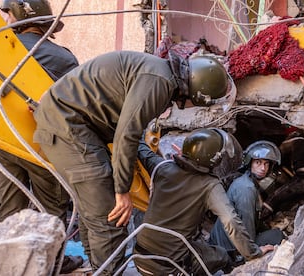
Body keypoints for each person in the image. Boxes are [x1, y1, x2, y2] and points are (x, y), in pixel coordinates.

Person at [32, 50, 235, 273]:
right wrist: (122, 191)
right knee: (111, 215)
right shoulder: (160, 83)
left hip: (71, 123)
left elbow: (130, 133)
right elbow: (126, 135)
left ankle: (99, 269)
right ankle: (108, 271)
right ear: (198, 94)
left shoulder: (159, 73)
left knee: (94, 212)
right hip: (69, 127)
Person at [0, 0, 81, 273]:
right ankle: (53, 263)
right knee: (51, 210)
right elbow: (75, 106)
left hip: (3, 141)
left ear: (17, 17)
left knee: (10, 211)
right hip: (44, 145)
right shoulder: (64, 59)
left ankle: (8, 267)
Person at [133, 128, 274, 274]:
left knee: (201, 248)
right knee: (223, 256)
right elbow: (231, 220)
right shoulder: (210, 185)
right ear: (215, 159)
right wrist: (254, 253)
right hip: (168, 265)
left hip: (140, 254)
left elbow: (142, 150)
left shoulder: (163, 167)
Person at [209, 140, 285, 260]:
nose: (262, 168)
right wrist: (254, 252)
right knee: (277, 236)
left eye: (266, 164)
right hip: (229, 251)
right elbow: (247, 226)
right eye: (258, 163)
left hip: (222, 243)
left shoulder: (247, 182)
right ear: (250, 163)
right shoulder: (246, 189)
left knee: (272, 232)